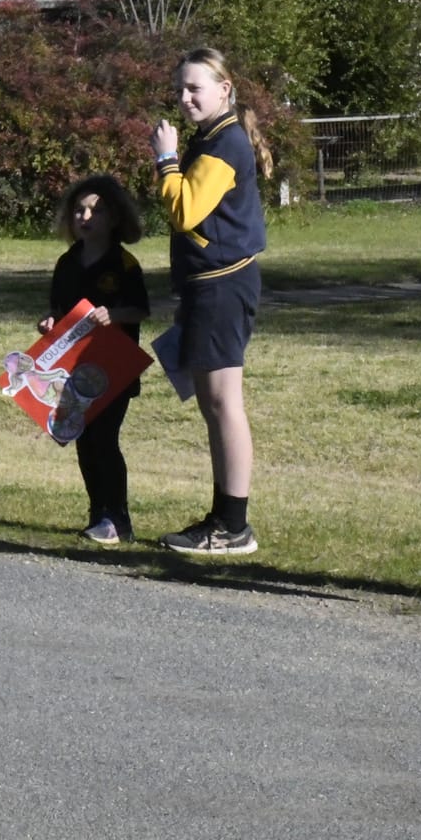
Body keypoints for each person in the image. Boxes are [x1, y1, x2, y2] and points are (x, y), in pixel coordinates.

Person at [150, 47, 269, 555]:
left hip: (224, 285)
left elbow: (186, 209)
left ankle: (234, 526)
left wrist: (165, 158)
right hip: (207, 286)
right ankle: (222, 518)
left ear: (224, 89)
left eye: (194, 88)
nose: (184, 98)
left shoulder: (224, 144)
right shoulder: (212, 138)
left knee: (224, 405)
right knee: (212, 406)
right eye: (180, 89)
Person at [37, 174, 150, 545]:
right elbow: (58, 310)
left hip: (113, 369)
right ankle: (98, 513)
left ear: (115, 217)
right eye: (79, 210)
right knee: (84, 441)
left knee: (105, 439)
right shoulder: (67, 263)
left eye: (96, 211)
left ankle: (118, 517)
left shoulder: (125, 264)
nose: (86, 217)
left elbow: (141, 310)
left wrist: (113, 315)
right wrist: (49, 323)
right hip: (74, 372)